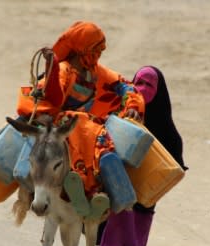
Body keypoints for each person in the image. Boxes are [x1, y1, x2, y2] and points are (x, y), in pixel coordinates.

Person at [11, 21, 144, 223]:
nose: (98, 56)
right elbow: (54, 95)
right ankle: (76, 190)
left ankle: (105, 195)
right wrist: (52, 69)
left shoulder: (95, 72)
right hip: (62, 126)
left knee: (104, 145)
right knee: (86, 138)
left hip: (87, 127)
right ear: (82, 50)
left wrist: (133, 106)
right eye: (95, 51)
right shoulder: (65, 70)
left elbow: (124, 85)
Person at [90, 66, 188, 246]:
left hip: (145, 204)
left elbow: (173, 165)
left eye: (150, 85)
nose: (143, 89)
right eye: (139, 82)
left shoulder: (166, 131)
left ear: (160, 92)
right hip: (120, 201)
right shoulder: (121, 116)